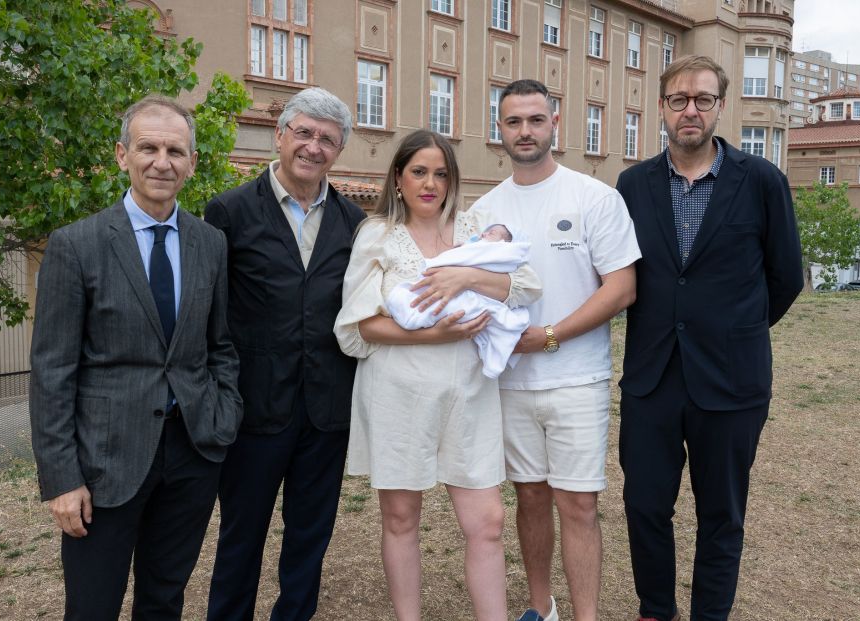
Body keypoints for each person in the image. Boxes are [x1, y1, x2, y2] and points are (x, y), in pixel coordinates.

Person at [29, 94, 242, 620]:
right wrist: (61, 479)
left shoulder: (210, 243)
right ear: (122, 155)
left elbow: (220, 346)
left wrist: (223, 415)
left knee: (164, 601)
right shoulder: (76, 245)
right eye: (148, 147)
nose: (162, 161)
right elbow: (53, 371)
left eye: (175, 150)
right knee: (92, 606)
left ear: (192, 163)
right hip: (104, 464)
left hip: (191, 454)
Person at [615, 56, 803, 621]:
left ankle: (710, 614)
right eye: (678, 99)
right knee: (645, 504)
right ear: (662, 109)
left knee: (722, 512)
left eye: (702, 99)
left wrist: (732, 330)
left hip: (732, 380)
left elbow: (786, 277)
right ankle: (656, 608)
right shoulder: (632, 185)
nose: (690, 110)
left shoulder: (761, 181)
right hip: (652, 378)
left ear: (721, 106)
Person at [334, 129, 541, 621]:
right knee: (402, 518)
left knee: (487, 521)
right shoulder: (377, 235)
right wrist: (437, 336)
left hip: (469, 395)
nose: (430, 183)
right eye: (419, 172)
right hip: (398, 392)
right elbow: (361, 324)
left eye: (441, 173)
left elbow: (526, 284)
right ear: (399, 179)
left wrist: (467, 276)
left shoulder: (476, 229)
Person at [470, 79, 640, 621]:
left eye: (535, 120)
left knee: (579, 504)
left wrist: (550, 336)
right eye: (514, 121)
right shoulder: (483, 210)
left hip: (577, 377)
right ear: (500, 129)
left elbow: (621, 287)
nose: (525, 131)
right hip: (510, 380)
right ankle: (541, 609)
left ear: (554, 124)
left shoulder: (593, 196)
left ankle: (585, 615)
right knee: (530, 497)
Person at [205, 87, 367, 621]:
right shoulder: (228, 211)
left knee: (309, 538)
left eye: (327, 139)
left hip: (326, 411)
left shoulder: (353, 223)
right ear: (280, 136)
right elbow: (212, 315)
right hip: (254, 410)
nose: (313, 147)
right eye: (304, 132)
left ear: (338, 150)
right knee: (240, 537)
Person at [385, 223, 531, 378]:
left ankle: (414, 314)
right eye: (486, 232)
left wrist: (467, 276)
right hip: (404, 370)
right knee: (427, 297)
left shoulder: (482, 231)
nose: (484, 234)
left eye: (492, 233)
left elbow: (531, 288)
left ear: (506, 243)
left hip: (467, 374)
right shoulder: (379, 232)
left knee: (449, 305)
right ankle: (413, 311)